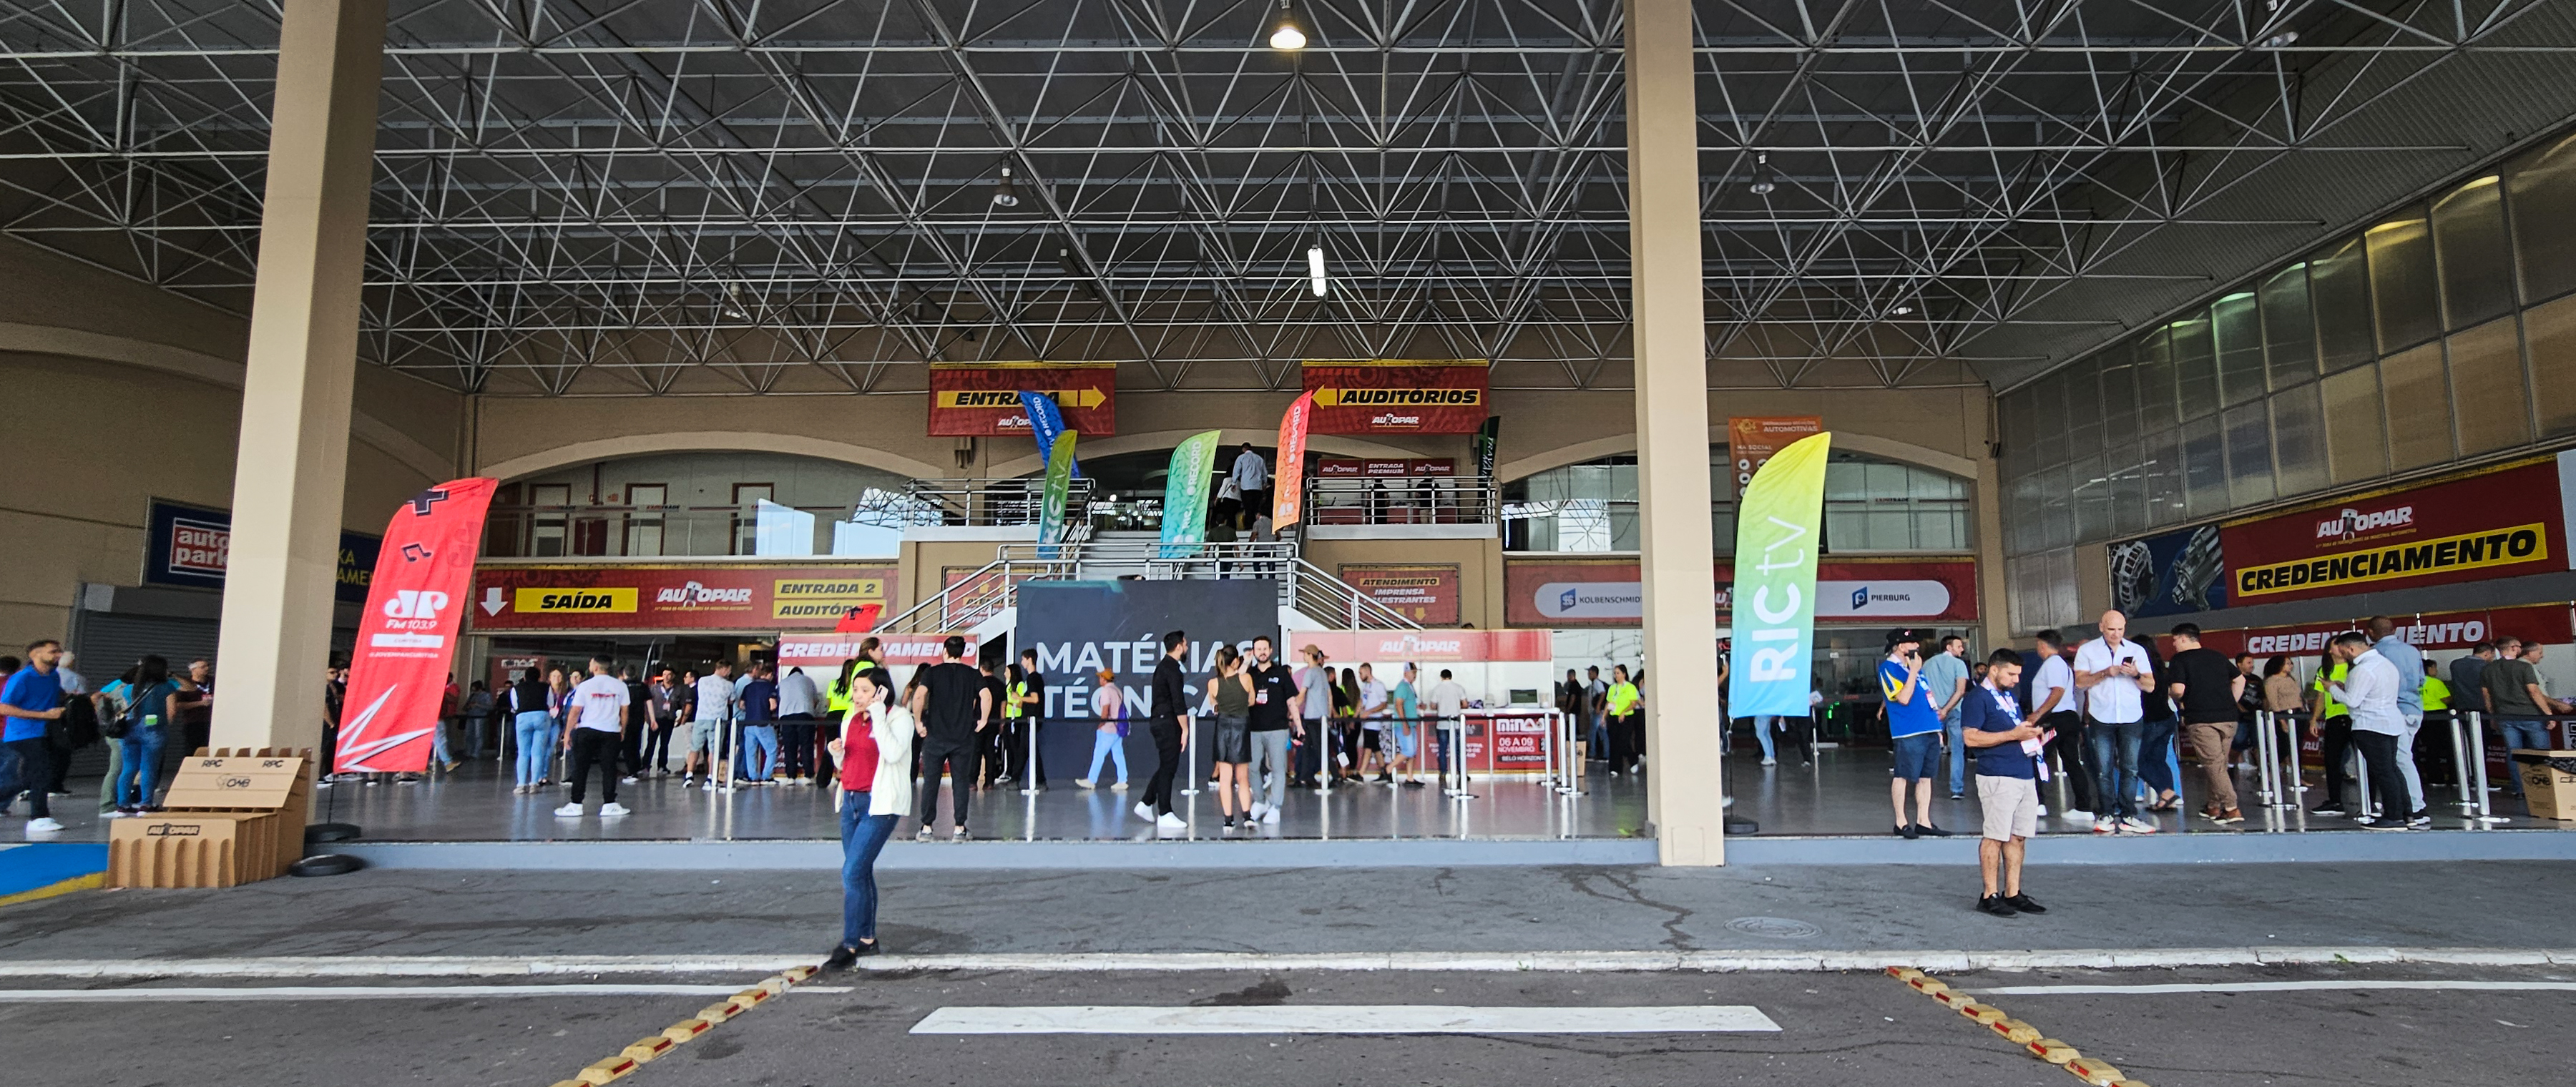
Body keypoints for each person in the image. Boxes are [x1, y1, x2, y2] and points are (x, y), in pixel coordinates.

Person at [823, 667, 913, 969]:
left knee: (851, 872)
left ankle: (850, 944)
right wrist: (835, 752)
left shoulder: (899, 718)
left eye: (864, 690)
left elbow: (892, 753)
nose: (856, 695)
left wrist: (878, 713)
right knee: (860, 871)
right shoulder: (849, 718)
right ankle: (867, 938)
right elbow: (848, 759)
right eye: (855, 689)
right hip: (850, 800)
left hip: (880, 804)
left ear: (880, 691)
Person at [1962, 649, 2047, 917]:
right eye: (2011, 674)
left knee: (2017, 836)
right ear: (1994, 669)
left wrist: (2030, 735)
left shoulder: (2009, 695)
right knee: (1995, 836)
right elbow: (1971, 739)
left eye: (2018, 675)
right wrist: (2013, 734)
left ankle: (2013, 892)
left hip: (2022, 771)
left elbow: (2014, 732)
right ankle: (1989, 895)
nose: (2015, 680)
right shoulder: (1977, 698)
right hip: (1997, 774)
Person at [2072, 611, 2158, 835]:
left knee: (2131, 768)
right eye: (2111, 629)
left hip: (2131, 716)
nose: (2116, 634)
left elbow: (2150, 686)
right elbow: (2080, 682)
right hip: (2102, 716)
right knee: (2103, 769)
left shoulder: (2136, 650)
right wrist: (2104, 673)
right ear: (2101, 627)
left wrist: (2136, 674)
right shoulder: (2087, 650)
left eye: (2120, 629)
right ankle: (2106, 812)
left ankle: (2129, 814)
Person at [2326, 631, 2421, 830]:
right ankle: (2407, 813)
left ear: (2352, 649)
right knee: (2393, 770)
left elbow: (2352, 701)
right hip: (2391, 722)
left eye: (2344, 652)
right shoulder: (2386, 665)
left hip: (2371, 725)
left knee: (2384, 772)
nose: (2343, 656)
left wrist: (2332, 689)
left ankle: (2394, 817)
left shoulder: (2362, 670)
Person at [909, 635, 992, 839]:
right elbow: (986, 695)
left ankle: (927, 827)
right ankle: (959, 828)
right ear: (962, 653)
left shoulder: (932, 672)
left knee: (931, 782)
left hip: (935, 736)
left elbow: (919, 695)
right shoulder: (972, 674)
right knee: (961, 782)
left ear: (944, 652)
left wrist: (918, 722)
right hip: (963, 737)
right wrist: (983, 720)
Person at [2165, 624, 2246, 824]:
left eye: (2175, 640)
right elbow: (2240, 680)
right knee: (2218, 764)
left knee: (2213, 764)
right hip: (2228, 718)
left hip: (2201, 719)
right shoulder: (2218, 656)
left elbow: (2179, 690)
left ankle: (2231, 808)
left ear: (2183, 638)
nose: (2173, 644)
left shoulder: (2179, 660)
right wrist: (2230, 703)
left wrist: (2167, 694)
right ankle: (2213, 806)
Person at [1879, 629, 1950, 838]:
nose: (1917, 647)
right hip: (1909, 731)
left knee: (1926, 776)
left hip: (1929, 727)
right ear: (1901, 646)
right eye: (1912, 643)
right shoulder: (1889, 668)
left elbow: (1927, 695)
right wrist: (1912, 672)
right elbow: (1903, 698)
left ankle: (1923, 821)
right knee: (1903, 775)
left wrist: (1937, 727)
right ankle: (1901, 822)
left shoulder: (1916, 669)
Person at [0, 640, 68, 833]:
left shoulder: (53, 676)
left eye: (59, 651)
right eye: (53, 651)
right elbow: (4, 707)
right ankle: (38, 817)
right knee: (42, 770)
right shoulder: (22, 678)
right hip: (23, 734)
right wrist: (44, 715)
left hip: (46, 731)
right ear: (35, 654)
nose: (59, 655)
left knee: (29, 779)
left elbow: (55, 698)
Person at [2484, 638, 2565, 799]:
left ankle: (2520, 789)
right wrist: (2549, 714)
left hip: (2505, 716)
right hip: (2530, 715)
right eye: (2519, 647)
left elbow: (2486, 695)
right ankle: (2543, 787)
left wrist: (2493, 716)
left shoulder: (2488, 669)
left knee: (2514, 753)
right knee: (2541, 752)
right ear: (2513, 648)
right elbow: (2534, 692)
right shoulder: (2523, 667)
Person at [2366, 617, 2429, 820]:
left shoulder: (2377, 653)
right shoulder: (2412, 650)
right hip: (2414, 708)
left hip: (2393, 711)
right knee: (2400, 758)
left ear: (2371, 633)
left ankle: (2416, 806)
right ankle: (2401, 803)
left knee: (2400, 759)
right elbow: (2421, 680)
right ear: (2394, 630)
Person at [557, 656, 633, 818]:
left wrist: (568, 733)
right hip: (611, 731)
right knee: (609, 768)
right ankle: (609, 804)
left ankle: (575, 805)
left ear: (595, 668)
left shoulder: (584, 686)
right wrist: (623, 730)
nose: (589, 666)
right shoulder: (620, 686)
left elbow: (575, 711)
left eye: (591, 664)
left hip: (587, 730)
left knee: (581, 768)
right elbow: (624, 711)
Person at [107, 656, 183, 816]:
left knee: (128, 768)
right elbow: (183, 695)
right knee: (149, 768)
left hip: (130, 730)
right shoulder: (165, 687)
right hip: (154, 729)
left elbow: (128, 708)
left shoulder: (129, 689)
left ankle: (123, 804)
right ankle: (146, 804)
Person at [1141, 630, 1191, 832]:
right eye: (1186, 644)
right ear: (1179, 646)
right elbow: (1178, 702)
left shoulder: (1163, 667)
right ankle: (1164, 812)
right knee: (1169, 767)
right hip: (1167, 722)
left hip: (1160, 721)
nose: (1187, 648)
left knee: (1166, 765)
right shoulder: (1172, 669)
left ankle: (1146, 803)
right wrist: (1185, 729)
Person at [1243, 636, 1297, 823]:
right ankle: (1260, 801)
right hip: (1254, 728)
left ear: (1271, 650)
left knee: (1278, 768)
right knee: (1252, 767)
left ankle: (1276, 806)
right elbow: (1237, 685)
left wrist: (1298, 724)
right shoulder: (1249, 673)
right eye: (1258, 649)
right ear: (1253, 651)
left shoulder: (1281, 672)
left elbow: (1291, 700)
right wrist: (1245, 663)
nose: (1262, 652)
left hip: (1277, 728)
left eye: (1265, 648)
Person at [1204, 645, 1254, 833]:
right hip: (1242, 726)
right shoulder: (1247, 678)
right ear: (1235, 662)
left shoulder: (1213, 683)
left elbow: (1213, 704)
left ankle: (1228, 819)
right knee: (1243, 777)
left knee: (1225, 778)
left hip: (1223, 727)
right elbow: (1252, 701)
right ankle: (1247, 816)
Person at [1924, 634, 1972, 800]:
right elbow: (1961, 690)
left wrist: (1937, 709)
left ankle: (1926, 787)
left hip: (1932, 713)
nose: (1962, 649)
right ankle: (1956, 789)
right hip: (1955, 711)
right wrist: (1946, 709)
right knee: (1957, 750)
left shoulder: (1927, 664)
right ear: (1949, 647)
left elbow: (1923, 690)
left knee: (1931, 750)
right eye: (1959, 646)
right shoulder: (1959, 664)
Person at [1077, 669, 1130, 790]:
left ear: (1104, 679)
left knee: (1099, 754)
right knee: (1118, 754)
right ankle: (1122, 780)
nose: (1099, 680)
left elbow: (1105, 710)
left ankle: (1091, 780)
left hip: (1108, 728)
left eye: (1100, 677)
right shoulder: (1117, 690)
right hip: (1118, 727)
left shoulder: (1106, 691)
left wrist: (1101, 724)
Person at [687, 661, 735, 790]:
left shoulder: (702, 681)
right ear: (724, 669)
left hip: (701, 717)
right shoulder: (729, 685)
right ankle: (710, 777)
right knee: (714, 750)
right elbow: (731, 701)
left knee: (695, 748)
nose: (729, 673)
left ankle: (689, 775)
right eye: (729, 670)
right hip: (718, 720)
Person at [1293, 646, 1333, 789]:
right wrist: (1328, 714)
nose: (1303, 656)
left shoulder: (1310, 673)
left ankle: (1335, 776)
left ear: (1310, 655)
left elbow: (1302, 694)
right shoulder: (1322, 672)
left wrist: (1292, 707)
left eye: (1305, 653)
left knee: (1317, 749)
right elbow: (1330, 696)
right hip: (1320, 716)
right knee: (1307, 748)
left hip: (1312, 717)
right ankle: (1306, 777)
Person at [1008, 649, 1047, 790]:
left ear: (1029, 660)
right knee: (1026, 750)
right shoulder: (1034, 678)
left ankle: (1019, 779)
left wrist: (1019, 698)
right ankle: (1019, 779)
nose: (1022, 662)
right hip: (1030, 719)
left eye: (1023, 659)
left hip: (1032, 720)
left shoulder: (1033, 678)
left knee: (1027, 750)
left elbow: (1035, 699)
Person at [734, 663, 780, 784]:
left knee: (750, 752)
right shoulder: (770, 687)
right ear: (769, 675)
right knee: (772, 749)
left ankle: (753, 777)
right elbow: (773, 705)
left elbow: (741, 705)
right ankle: (767, 777)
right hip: (763, 722)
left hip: (748, 723)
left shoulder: (748, 687)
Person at [1426, 668, 1471, 790]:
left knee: (1442, 749)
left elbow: (1432, 706)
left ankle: (1443, 773)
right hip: (1456, 723)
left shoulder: (1437, 689)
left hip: (1442, 723)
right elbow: (1466, 704)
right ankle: (1461, 772)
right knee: (1458, 749)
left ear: (1442, 677)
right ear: (1451, 677)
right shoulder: (1458, 688)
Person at [777, 664, 821, 785]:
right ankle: (808, 776)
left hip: (786, 717)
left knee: (789, 746)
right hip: (805, 715)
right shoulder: (808, 680)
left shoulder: (783, 682)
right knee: (806, 745)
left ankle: (791, 777)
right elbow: (815, 700)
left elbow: (779, 699)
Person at [1603, 665, 1643, 777]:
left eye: (1618, 673)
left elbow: (1633, 704)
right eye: (1615, 673)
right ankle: (1615, 768)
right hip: (1613, 717)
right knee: (1614, 742)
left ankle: (1633, 759)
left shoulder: (1630, 687)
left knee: (1623, 741)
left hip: (1626, 718)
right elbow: (1608, 703)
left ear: (1624, 674)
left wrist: (1624, 712)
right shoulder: (1612, 688)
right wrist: (1604, 717)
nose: (1616, 675)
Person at [1356, 663, 1391, 782]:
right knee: (1375, 747)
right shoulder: (1365, 686)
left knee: (1368, 747)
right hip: (1366, 722)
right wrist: (1356, 716)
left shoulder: (1379, 685)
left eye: (1361, 673)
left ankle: (1360, 774)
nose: (1360, 676)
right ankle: (1385, 773)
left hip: (1374, 722)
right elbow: (1362, 701)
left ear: (1367, 671)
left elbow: (1383, 704)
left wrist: (1369, 712)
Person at [1391, 662, 1425, 787]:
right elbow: (1399, 705)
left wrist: (1418, 707)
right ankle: (1388, 769)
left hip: (1411, 723)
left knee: (1413, 752)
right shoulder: (1402, 687)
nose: (1415, 675)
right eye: (1413, 672)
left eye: (1416, 672)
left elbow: (1407, 704)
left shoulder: (1409, 687)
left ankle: (1410, 778)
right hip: (1404, 725)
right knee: (1409, 750)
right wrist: (1404, 724)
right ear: (1406, 672)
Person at [642, 668, 679, 776]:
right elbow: (647, 704)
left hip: (669, 719)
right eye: (664, 674)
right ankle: (645, 765)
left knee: (665, 743)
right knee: (651, 743)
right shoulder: (654, 688)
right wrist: (648, 718)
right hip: (656, 719)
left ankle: (662, 766)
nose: (666, 676)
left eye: (669, 674)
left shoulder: (677, 689)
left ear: (673, 676)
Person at [2449, 641, 2496, 719]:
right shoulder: (2487, 667)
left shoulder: (2455, 664)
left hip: (2461, 707)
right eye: (2493, 655)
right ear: (2487, 653)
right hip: (2483, 707)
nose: (2493, 658)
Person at [1229, 443, 1268, 529]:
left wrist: (1234, 483)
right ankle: (1258, 527)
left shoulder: (1241, 458)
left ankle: (1249, 527)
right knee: (1256, 508)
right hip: (1257, 487)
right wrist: (1264, 483)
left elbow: (1236, 471)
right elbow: (1265, 473)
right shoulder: (1259, 458)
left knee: (1248, 508)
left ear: (1244, 449)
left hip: (1246, 487)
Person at [461, 679, 496, 762]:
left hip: (480, 717)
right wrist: (468, 707)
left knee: (478, 735)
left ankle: (476, 753)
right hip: (470, 716)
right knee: (468, 734)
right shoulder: (472, 695)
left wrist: (478, 705)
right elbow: (465, 707)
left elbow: (490, 707)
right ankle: (468, 751)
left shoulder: (486, 696)